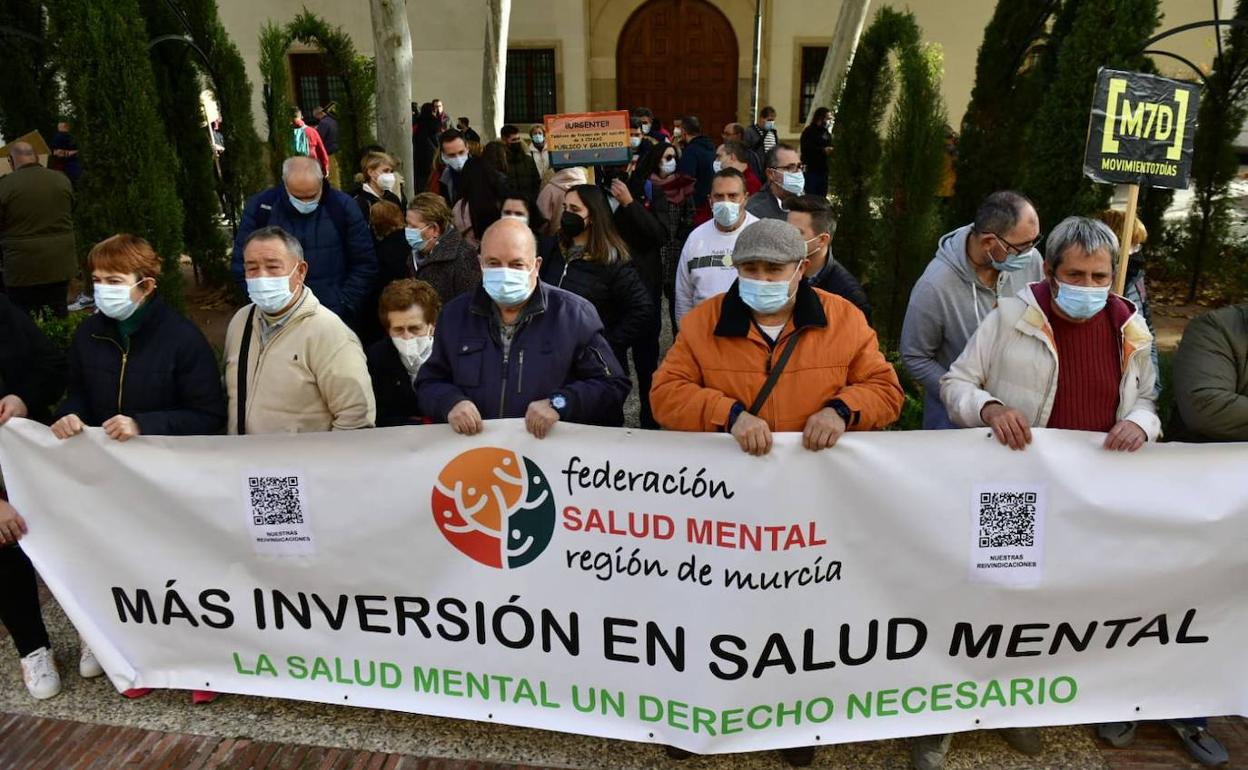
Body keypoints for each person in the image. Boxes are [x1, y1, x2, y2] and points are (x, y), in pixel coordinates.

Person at [50, 234, 226, 703]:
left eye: (114, 280)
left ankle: (203, 666)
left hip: (171, 481)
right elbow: (78, 392)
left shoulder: (181, 338)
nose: (103, 289)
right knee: (130, 573)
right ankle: (143, 660)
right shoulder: (90, 333)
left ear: (145, 285)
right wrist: (69, 413)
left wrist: (143, 424)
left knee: (183, 575)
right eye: (97, 280)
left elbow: (209, 415)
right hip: (112, 481)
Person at [651, 215, 901, 464]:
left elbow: (885, 390)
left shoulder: (844, 319)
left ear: (801, 269)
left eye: (774, 269)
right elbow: (665, 395)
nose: (762, 279)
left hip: (816, 476)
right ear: (737, 269)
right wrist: (730, 415)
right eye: (750, 269)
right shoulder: (703, 323)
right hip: (734, 478)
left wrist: (841, 411)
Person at [940, 216, 1160, 450]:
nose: (1087, 285)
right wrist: (989, 409)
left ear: (1113, 276)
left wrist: (1140, 424)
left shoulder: (1131, 329)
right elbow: (956, 384)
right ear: (1048, 271)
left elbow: (1145, 398)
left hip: (1100, 474)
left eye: (1099, 276)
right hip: (1023, 469)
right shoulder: (1008, 318)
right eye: (1074, 274)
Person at [416, 218, 632, 435]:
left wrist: (559, 403)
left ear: (536, 266)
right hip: (477, 455)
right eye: (493, 263)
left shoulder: (573, 315)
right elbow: (429, 382)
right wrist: (450, 402)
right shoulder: (454, 316)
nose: (504, 272)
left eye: (516, 264)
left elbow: (612, 385)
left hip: (544, 458)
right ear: (480, 264)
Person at [900, 190, 1044, 429]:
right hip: (956, 426)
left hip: (1019, 417)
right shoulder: (934, 286)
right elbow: (915, 357)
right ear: (989, 242)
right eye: (1022, 246)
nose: (1030, 253)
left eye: (1034, 241)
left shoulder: (1032, 261)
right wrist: (962, 395)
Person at [225, 226, 375, 434]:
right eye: (252, 268)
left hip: (303, 463)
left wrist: (320, 464)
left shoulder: (329, 333)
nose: (261, 276)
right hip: (246, 460)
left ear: (300, 271)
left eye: (273, 267)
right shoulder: (241, 321)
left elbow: (356, 417)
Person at [0, 291, 66, 701]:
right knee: (5, 550)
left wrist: (24, 397)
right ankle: (33, 648)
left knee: (66, 541)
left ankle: (94, 630)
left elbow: (53, 365)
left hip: (31, 460)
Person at [234, 156, 378, 326]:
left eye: (311, 196)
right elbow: (241, 263)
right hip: (275, 315)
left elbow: (364, 263)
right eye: (297, 197)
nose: (305, 203)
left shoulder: (342, 207)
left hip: (333, 315)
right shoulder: (262, 207)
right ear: (285, 185)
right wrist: (266, 300)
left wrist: (345, 304)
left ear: (322, 183)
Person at [540, 183, 652, 389]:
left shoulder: (611, 260)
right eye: (565, 208)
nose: (566, 214)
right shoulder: (551, 250)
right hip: (551, 360)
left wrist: (605, 344)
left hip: (590, 370)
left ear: (592, 216)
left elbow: (642, 309)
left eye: (575, 210)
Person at [0, 142, 76, 318]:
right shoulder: (61, 179)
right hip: (60, 262)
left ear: (11, 161)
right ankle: (59, 344)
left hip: (22, 266)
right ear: (35, 156)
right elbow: (72, 208)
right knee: (58, 312)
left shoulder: (5, 185)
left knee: (22, 318)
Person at [674, 168, 759, 327]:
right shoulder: (696, 238)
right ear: (710, 201)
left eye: (733, 196)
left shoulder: (762, 234)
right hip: (704, 333)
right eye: (719, 196)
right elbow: (683, 295)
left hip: (749, 336)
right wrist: (686, 335)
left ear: (745, 198)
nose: (726, 202)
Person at [1095, 208, 1159, 389]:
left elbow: (1148, 334)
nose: (1137, 251)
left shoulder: (1136, 277)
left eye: (1138, 245)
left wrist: (1153, 384)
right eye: (1132, 244)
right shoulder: (1091, 290)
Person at [368, 278, 442, 427]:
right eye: (398, 330)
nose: (407, 337)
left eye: (415, 328)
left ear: (432, 325)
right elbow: (376, 413)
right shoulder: (376, 358)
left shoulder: (451, 353)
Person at [639, 142, 697, 329]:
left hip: (676, 251)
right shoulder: (646, 186)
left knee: (677, 301)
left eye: (673, 157)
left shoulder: (683, 185)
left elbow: (690, 216)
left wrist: (681, 238)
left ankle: (679, 340)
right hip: (652, 252)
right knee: (651, 302)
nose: (670, 162)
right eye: (666, 157)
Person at [786, 195, 871, 320]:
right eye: (786, 230)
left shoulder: (848, 296)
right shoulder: (779, 273)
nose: (787, 238)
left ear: (822, 240)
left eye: (797, 233)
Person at [407, 192, 481, 304]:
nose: (408, 230)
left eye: (413, 226)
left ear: (434, 229)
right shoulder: (415, 254)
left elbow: (470, 305)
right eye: (407, 224)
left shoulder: (462, 255)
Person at [674, 115, 716, 225]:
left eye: (678, 127)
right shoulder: (709, 146)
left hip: (696, 205)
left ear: (683, 131)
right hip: (709, 200)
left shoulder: (691, 152)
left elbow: (685, 179)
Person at [746, 144, 804, 221]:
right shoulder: (754, 211)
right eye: (790, 168)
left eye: (799, 166)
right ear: (771, 174)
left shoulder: (806, 202)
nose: (798, 173)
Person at [353, 151, 405, 230]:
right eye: (385, 171)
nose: (390, 175)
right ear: (371, 172)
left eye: (391, 171)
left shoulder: (393, 198)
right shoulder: (359, 202)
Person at [538, 166, 589, 236]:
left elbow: (542, 220)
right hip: (581, 237)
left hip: (556, 239)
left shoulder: (549, 189)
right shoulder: (587, 189)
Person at [501, 125, 542, 200]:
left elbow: (536, 182)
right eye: (513, 140)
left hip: (528, 203)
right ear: (504, 141)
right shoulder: (501, 162)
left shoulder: (528, 160)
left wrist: (532, 199)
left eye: (518, 139)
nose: (517, 142)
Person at [799, 107, 833, 197]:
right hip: (811, 170)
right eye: (828, 118)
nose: (829, 121)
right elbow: (806, 149)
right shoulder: (809, 131)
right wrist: (822, 151)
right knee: (811, 197)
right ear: (820, 118)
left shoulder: (826, 133)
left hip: (823, 170)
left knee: (822, 197)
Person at [292, 107, 330, 177]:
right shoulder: (312, 131)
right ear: (302, 117)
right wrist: (325, 168)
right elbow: (321, 151)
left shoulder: (284, 133)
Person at [412, 102, 441, 188]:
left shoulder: (417, 121)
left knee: (420, 179)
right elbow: (437, 139)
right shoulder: (434, 123)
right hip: (431, 154)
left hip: (418, 154)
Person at [48, 119, 82, 185]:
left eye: (59, 127)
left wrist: (63, 153)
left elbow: (55, 152)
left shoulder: (57, 137)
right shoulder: (74, 138)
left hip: (63, 167)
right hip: (71, 167)